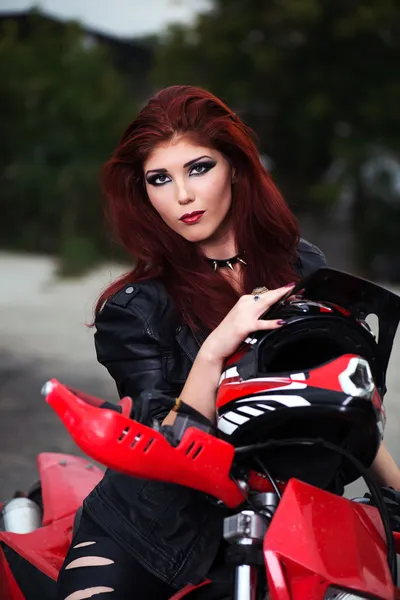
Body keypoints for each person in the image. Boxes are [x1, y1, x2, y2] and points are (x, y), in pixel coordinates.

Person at [57, 85, 400, 600]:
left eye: (198, 168)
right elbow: (161, 443)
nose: (182, 196)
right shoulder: (134, 309)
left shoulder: (304, 267)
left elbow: (343, 394)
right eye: (159, 179)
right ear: (143, 193)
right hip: (157, 529)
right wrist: (217, 348)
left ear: (236, 168)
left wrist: (397, 492)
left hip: (289, 519)